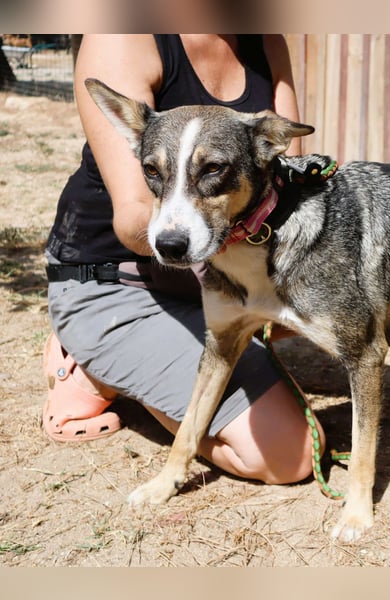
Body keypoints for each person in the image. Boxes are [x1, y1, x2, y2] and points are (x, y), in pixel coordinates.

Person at [43, 34, 325, 486]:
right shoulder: (126, 37)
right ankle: (88, 365)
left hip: (220, 274)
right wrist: (219, 236)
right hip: (119, 283)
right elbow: (136, 219)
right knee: (288, 456)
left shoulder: (266, 39)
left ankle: (153, 367)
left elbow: (286, 176)